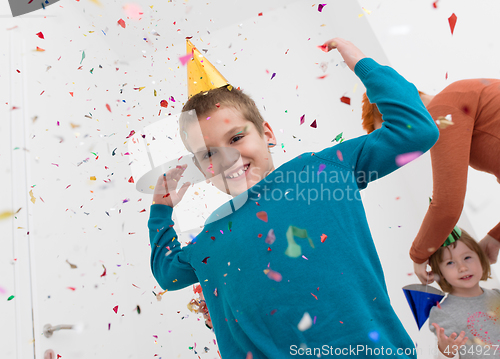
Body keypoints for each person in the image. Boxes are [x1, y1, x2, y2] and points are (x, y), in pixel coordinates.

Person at [148, 38, 439, 358]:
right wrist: (161, 208)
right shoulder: (211, 237)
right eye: (209, 154)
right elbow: (168, 272)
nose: (228, 157)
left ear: (267, 133)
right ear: (203, 168)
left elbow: (416, 131)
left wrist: (360, 62)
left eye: (236, 137)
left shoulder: (322, 169)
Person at [360, 79, 500, 283]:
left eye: (396, 133)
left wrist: (418, 255)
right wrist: (496, 237)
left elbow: (447, 205)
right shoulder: (457, 103)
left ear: (400, 107)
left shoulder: (443, 111)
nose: (402, 145)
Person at [427, 227, 499, 359]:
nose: (462, 268)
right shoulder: (443, 313)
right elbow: (447, 353)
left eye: (467, 257)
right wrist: (446, 353)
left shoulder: (497, 295)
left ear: (481, 258)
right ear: (440, 273)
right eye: (450, 263)